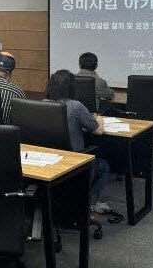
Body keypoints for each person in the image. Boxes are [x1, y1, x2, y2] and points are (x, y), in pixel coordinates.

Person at [47, 69, 112, 214]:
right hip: (73, 162)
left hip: (50, 160)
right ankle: (90, 204)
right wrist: (99, 119)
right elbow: (98, 130)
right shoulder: (76, 106)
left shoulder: (43, 104)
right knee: (104, 166)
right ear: (72, 87)